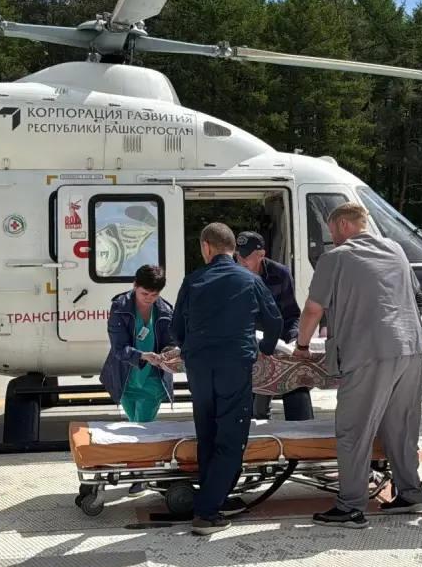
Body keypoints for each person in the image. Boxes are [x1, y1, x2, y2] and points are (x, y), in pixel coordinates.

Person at [292, 202, 422, 529]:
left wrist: (301, 345)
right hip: (410, 349)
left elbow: (313, 309)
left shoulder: (336, 258)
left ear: (343, 224)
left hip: (369, 352)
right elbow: (418, 299)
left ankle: (351, 506)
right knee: (401, 427)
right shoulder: (396, 249)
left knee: (354, 430)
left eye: (331, 230)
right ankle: (412, 493)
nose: (332, 237)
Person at [171, 223, 284, 536]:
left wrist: (191, 348)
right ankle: (207, 511)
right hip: (234, 366)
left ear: (207, 247)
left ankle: (213, 499)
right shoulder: (250, 279)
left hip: (199, 367)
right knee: (231, 439)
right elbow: (274, 321)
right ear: (232, 249)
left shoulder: (193, 280)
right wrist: (265, 349)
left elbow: (176, 328)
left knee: (207, 433)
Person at [101, 266, 176, 491]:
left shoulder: (165, 310)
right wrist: (142, 355)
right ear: (135, 286)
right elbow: (118, 348)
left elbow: (170, 342)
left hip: (153, 380)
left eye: (154, 294)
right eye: (145, 293)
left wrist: (170, 353)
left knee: (142, 427)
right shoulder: (120, 307)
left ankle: (140, 474)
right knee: (134, 426)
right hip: (125, 378)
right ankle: (140, 469)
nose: (149, 298)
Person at [235, 230, 314, 422]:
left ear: (261, 255)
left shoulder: (280, 274)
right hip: (243, 346)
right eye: (238, 256)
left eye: (247, 257)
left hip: (277, 342)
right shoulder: (229, 273)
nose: (241, 261)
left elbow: (291, 315)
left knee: (297, 380)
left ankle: (302, 432)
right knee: (248, 404)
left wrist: (295, 341)